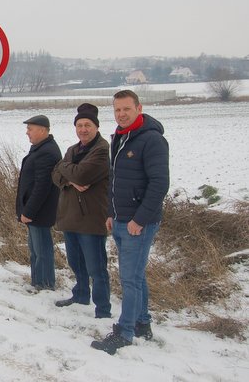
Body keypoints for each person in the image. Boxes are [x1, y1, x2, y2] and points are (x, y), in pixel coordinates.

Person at [91, 90, 169, 355]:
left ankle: (124, 333)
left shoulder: (152, 140)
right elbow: (115, 180)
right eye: (117, 110)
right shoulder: (121, 138)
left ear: (139, 108)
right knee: (136, 276)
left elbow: (159, 185)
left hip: (139, 222)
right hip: (122, 219)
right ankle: (142, 323)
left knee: (129, 279)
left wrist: (139, 219)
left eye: (126, 109)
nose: (121, 114)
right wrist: (112, 213)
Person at [52, 103, 111, 318]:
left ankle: (103, 309)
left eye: (87, 125)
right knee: (75, 261)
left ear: (96, 127)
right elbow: (55, 175)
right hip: (70, 216)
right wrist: (70, 179)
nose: (83, 129)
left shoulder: (102, 150)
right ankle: (81, 294)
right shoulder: (73, 150)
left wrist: (66, 170)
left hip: (91, 218)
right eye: (79, 125)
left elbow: (83, 175)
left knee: (96, 267)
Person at [15, 115, 61, 290]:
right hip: (34, 211)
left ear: (42, 130)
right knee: (35, 250)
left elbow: (42, 187)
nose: (27, 133)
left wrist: (29, 211)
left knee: (42, 251)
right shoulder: (40, 148)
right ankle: (37, 282)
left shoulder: (47, 152)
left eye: (30, 129)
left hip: (39, 212)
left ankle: (45, 284)